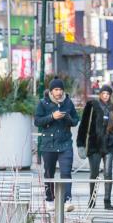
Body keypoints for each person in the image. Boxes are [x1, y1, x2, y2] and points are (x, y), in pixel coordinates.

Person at [34, 77, 80, 211]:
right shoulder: (43, 103)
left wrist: (67, 117)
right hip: (48, 144)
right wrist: (52, 117)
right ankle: (49, 199)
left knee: (66, 172)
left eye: (61, 89)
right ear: (51, 91)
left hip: (65, 143)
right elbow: (37, 121)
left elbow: (75, 120)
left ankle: (67, 200)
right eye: (56, 89)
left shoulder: (68, 103)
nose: (59, 92)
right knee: (49, 173)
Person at [77, 85, 113, 210]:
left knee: (108, 173)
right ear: (100, 94)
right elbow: (83, 125)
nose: (105, 96)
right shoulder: (92, 106)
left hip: (109, 145)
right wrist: (80, 144)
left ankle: (107, 201)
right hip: (95, 145)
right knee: (94, 173)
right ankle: (92, 199)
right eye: (103, 93)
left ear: (110, 95)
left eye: (107, 94)